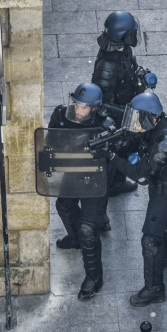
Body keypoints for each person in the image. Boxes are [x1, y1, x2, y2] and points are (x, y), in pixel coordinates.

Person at [91, 93, 167, 306]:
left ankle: (155, 289)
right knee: (165, 218)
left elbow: (137, 173)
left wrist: (112, 157)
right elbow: (137, 140)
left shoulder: (166, 141)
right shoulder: (155, 124)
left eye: (138, 118)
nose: (135, 122)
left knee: (150, 238)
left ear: (151, 118)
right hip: (162, 185)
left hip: (166, 189)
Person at [47, 83, 114, 301]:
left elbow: (113, 162)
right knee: (64, 206)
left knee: (88, 228)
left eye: (84, 107)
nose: (78, 110)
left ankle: (94, 278)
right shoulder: (61, 115)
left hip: (95, 179)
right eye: (76, 104)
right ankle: (75, 239)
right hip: (73, 170)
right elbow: (50, 142)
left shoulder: (106, 125)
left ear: (94, 108)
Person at [92, 11, 146, 199]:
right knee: (115, 155)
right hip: (117, 116)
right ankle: (103, 202)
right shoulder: (107, 66)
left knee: (129, 148)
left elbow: (130, 69)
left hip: (127, 107)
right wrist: (124, 115)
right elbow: (101, 103)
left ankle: (118, 183)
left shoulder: (124, 50)